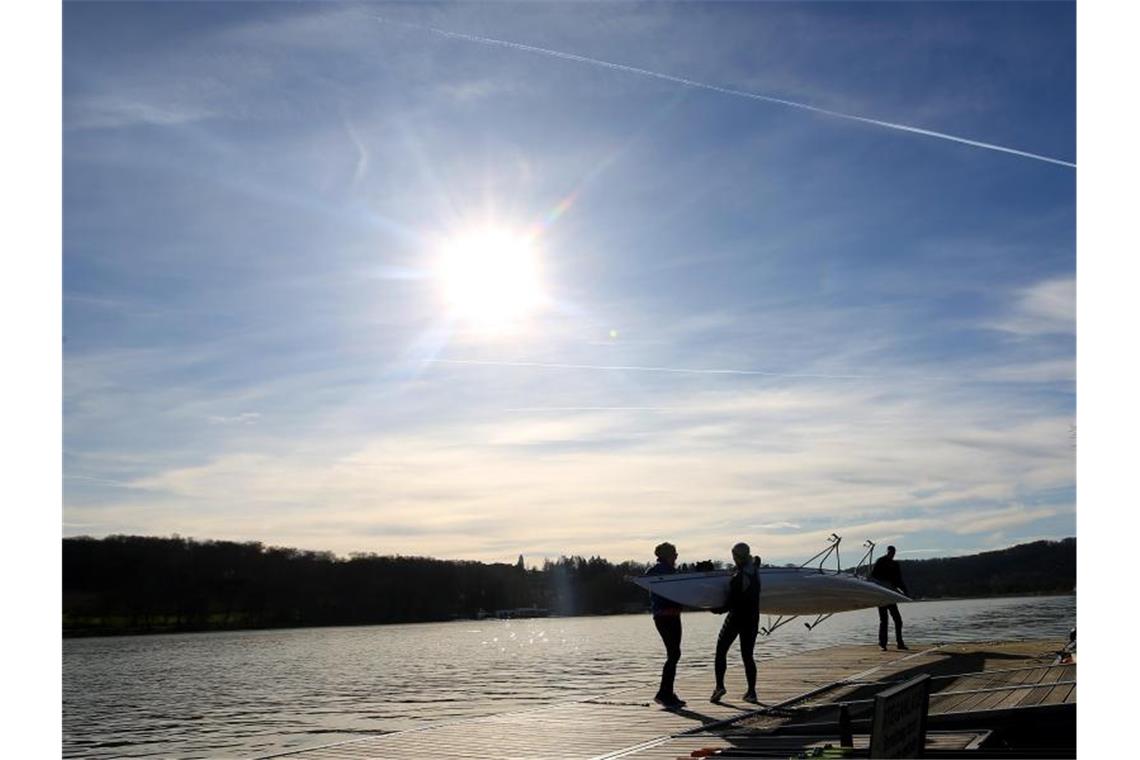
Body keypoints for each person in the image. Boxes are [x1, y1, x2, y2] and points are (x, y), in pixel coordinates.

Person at [710, 542, 761, 704]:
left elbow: (731, 604)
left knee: (721, 651)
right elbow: (756, 562)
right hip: (752, 619)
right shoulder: (755, 572)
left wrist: (714, 609)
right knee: (747, 656)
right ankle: (752, 692)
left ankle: (719, 687)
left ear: (736, 556)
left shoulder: (738, 578)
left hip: (736, 618)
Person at [644, 542, 686, 709]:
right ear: (667, 555)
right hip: (665, 617)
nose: (676, 556)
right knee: (674, 654)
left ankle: (667, 692)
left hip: (673, 616)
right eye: (674, 554)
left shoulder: (668, 570)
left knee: (674, 654)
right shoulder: (659, 570)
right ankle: (663, 693)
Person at [870, 545, 909, 651]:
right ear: (887, 552)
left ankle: (900, 643)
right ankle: (882, 644)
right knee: (884, 620)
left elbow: (899, 580)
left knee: (898, 620)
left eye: (893, 552)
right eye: (890, 552)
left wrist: (905, 591)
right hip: (882, 595)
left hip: (890, 595)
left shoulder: (895, 564)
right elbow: (873, 575)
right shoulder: (880, 561)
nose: (891, 554)